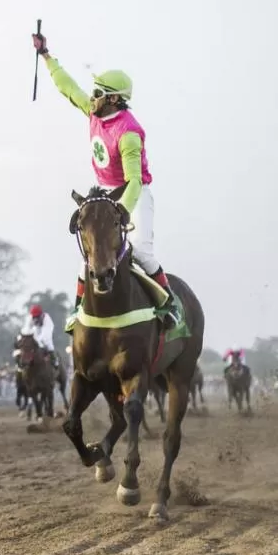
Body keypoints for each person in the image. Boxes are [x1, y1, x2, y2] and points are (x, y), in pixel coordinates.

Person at [32, 30, 181, 333]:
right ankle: (78, 311)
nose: (92, 97)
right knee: (92, 252)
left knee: (140, 252)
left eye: (98, 92)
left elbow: (135, 181)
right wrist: (46, 55)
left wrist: (121, 210)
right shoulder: (94, 111)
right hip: (104, 194)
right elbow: (67, 87)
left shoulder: (128, 132)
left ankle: (170, 305)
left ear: (114, 99)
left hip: (133, 195)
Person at [21, 304, 60, 369]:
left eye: (37, 316)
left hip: (46, 329)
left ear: (41, 314)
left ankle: (54, 360)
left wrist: (38, 341)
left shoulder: (47, 319)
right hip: (36, 329)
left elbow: (46, 334)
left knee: (48, 344)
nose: (35, 318)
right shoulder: (30, 317)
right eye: (34, 316)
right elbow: (26, 328)